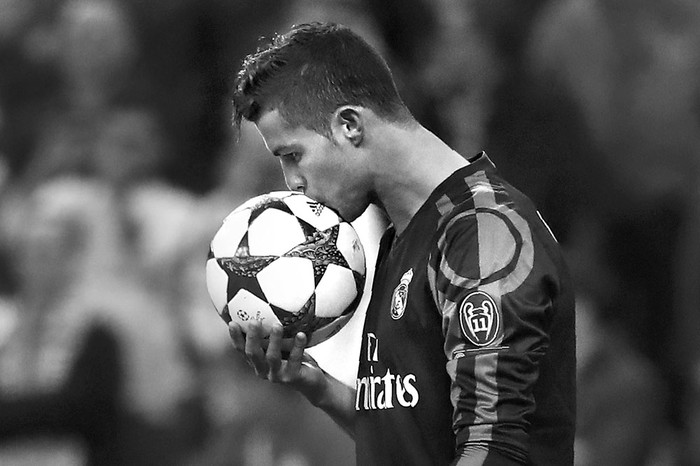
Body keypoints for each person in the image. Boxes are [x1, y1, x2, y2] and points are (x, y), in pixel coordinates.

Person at [227, 22, 576, 465]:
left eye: (293, 156)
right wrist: (315, 386)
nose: (293, 184)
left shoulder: (483, 235)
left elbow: (493, 449)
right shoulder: (404, 233)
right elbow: (413, 440)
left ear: (349, 125)